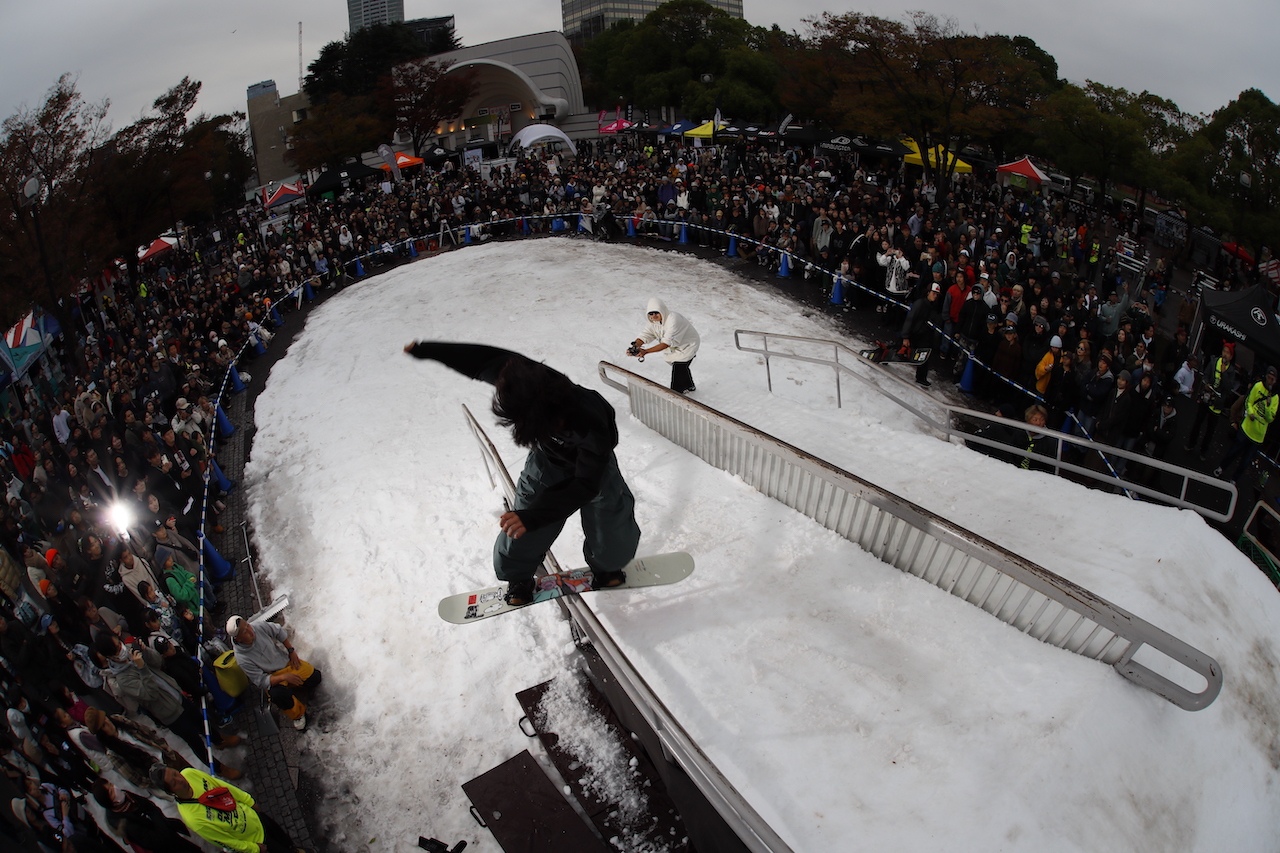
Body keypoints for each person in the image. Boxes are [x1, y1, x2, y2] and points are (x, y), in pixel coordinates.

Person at [403, 342, 641, 606]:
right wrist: (427, 350)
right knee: (522, 516)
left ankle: (608, 566)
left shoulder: (590, 422)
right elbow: (481, 360)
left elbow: (585, 485)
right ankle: (518, 576)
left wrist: (539, 515)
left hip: (594, 467)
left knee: (609, 513)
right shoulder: (524, 381)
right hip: (547, 461)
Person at [155, 764, 301, 853]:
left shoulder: (189, 773)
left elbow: (222, 787)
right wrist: (253, 849)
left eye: (176, 773)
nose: (181, 780)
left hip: (253, 816)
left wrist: (248, 801)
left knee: (282, 836)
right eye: (174, 783)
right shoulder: (193, 819)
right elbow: (224, 841)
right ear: (171, 792)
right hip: (255, 839)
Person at [227, 615, 321, 731]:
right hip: (272, 677)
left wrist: (291, 651)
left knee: (316, 678)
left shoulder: (258, 627)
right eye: (245, 631)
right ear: (238, 639)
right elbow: (261, 681)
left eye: (248, 625)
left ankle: (294, 685)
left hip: (286, 664)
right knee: (278, 695)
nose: (250, 631)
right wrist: (283, 677)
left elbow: (278, 631)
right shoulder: (242, 659)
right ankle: (298, 714)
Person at [1215, 365, 1279, 483]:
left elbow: (1270, 419)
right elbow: (1249, 401)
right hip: (1247, 428)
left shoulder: (1275, 398)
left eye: (1273, 379)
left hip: (1258, 436)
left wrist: (1268, 406)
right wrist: (1250, 413)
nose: (1270, 381)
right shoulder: (1258, 386)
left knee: (1246, 461)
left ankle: (1234, 479)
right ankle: (1221, 467)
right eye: (1269, 378)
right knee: (1234, 451)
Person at [628, 298, 701, 394]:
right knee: (681, 367)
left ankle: (676, 395)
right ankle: (689, 385)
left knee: (679, 368)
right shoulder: (653, 322)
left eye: (656, 312)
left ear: (662, 310)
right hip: (675, 347)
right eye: (651, 313)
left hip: (688, 345)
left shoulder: (673, 319)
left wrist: (645, 351)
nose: (654, 315)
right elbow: (646, 334)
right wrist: (636, 345)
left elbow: (666, 343)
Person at [901, 281, 941, 387]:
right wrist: (906, 336)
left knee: (924, 357)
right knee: (901, 350)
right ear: (928, 292)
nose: (935, 296)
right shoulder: (920, 304)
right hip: (915, 334)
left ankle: (921, 377)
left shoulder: (932, 306)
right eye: (933, 293)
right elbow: (910, 320)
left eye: (937, 294)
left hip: (924, 336)